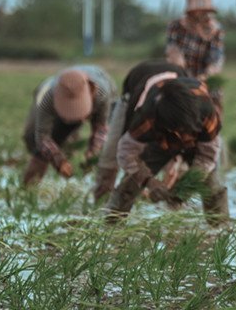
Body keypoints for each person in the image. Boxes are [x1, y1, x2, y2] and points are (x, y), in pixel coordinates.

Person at [92, 60, 227, 223]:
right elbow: (127, 154)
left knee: (211, 183)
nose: (179, 136)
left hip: (194, 134)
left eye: (183, 131)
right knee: (130, 184)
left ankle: (220, 227)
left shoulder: (206, 111)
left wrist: (187, 184)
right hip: (156, 131)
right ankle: (110, 225)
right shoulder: (147, 116)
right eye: (174, 131)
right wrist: (149, 181)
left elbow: (208, 155)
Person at [22, 65, 117, 186]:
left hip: (101, 93)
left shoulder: (102, 93)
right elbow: (42, 136)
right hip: (52, 95)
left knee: (109, 148)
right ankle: (28, 188)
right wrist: (58, 160)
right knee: (34, 141)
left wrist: (93, 153)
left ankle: (106, 191)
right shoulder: (48, 97)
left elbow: (101, 128)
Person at [165, 0, 224, 85]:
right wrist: (182, 70)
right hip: (180, 74)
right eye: (198, 10)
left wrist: (205, 77)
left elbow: (215, 59)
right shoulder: (175, 26)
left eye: (204, 10)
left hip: (203, 77)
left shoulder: (216, 30)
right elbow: (173, 50)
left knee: (212, 93)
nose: (201, 14)